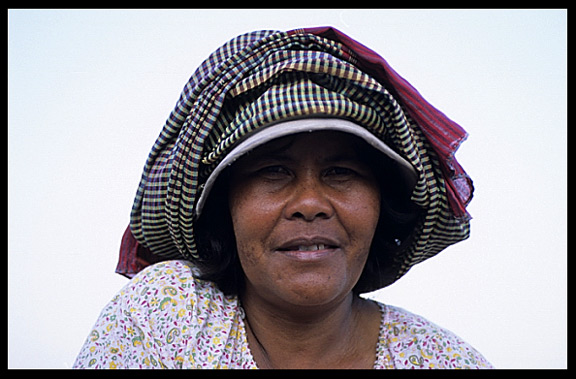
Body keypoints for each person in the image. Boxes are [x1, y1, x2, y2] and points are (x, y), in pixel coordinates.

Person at [73, 26, 492, 369]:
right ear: (226, 206)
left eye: (340, 172)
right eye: (273, 171)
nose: (310, 203)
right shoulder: (168, 316)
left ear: (384, 206)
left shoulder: (445, 361)